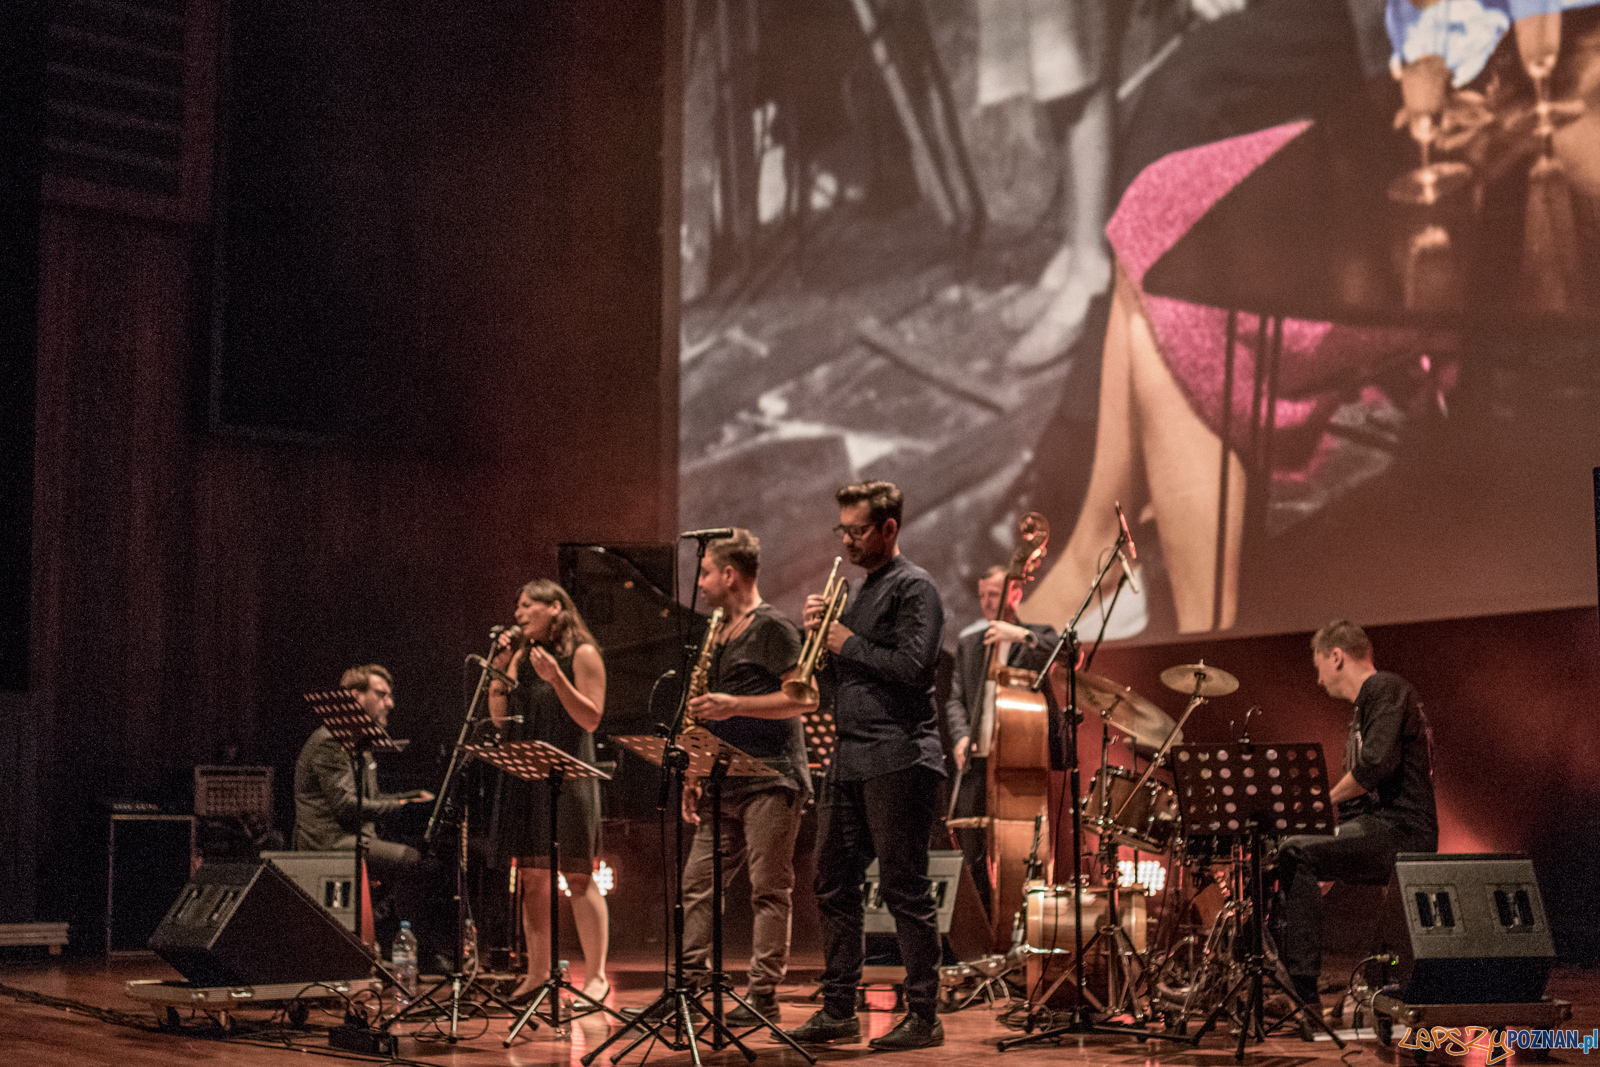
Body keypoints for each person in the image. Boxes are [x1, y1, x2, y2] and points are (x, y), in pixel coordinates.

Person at [785, 481, 947, 1052]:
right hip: (850, 758)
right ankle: (838, 1009)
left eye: (857, 531)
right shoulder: (855, 594)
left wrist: (845, 640)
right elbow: (836, 689)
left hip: (901, 755)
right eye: (843, 531)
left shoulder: (915, 588)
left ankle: (925, 1015)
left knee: (904, 887)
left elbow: (912, 667)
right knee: (832, 882)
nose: (848, 541)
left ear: (889, 529)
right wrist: (819, 645)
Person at [676, 529, 810, 1026]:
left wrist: (735, 704)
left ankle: (763, 995)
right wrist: (695, 769)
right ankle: (690, 984)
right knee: (697, 885)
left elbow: (805, 697)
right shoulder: (716, 633)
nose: (702, 582)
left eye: (706, 572)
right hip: (722, 780)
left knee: (768, 890)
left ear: (730, 574)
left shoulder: (772, 627)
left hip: (772, 780)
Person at [1274, 620, 1437, 1015]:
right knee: (1293, 851)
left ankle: (1303, 995)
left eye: (1318, 667)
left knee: (1295, 849)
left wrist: (1320, 809)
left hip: (1402, 831)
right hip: (1382, 827)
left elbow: (1374, 766)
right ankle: (1290, 979)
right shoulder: (1366, 705)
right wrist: (1329, 846)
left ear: (1336, 656)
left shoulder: (1384, 688)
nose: (1317, 679)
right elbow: (1362, 797)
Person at [487, 579, 610, 1007]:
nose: (518, 613)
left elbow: (591, 718)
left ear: (555, 607)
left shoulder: (583, 654)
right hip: (528, 777)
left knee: (577, 875)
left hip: (571, 778)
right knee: (533, 879)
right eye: (516, 606)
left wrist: (557, 678)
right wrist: (501, 669)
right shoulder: (519, 655)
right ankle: (537, 973)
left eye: (527, 605)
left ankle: (595, 977)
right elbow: (500, 722)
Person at [943, 566, 1059, 915]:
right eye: (981, 595)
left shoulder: (1038, 635)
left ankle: (1023, 921)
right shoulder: (969, 642)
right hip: (977, 761)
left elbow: (1069, 653)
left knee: (1025, 849)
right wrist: (962, 736)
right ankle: (981, 928)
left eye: (993, 594)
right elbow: (955, 699)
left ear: (1015, 593)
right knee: (972, 847)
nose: (985, 602)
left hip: (1019, 760)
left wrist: (1022, 636)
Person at [293, 665, 434, 949]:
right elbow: (345, 806)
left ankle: (396, 940)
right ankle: (410, 947)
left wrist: (412, 796)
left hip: (355, 838)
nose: (390, 703)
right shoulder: (331, 741)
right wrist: (403, 805)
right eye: (381, 695)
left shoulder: (360, 744)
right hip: (328, 842)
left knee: (426, 858)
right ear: (355, 697)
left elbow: (373, 797)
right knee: (409, 860)